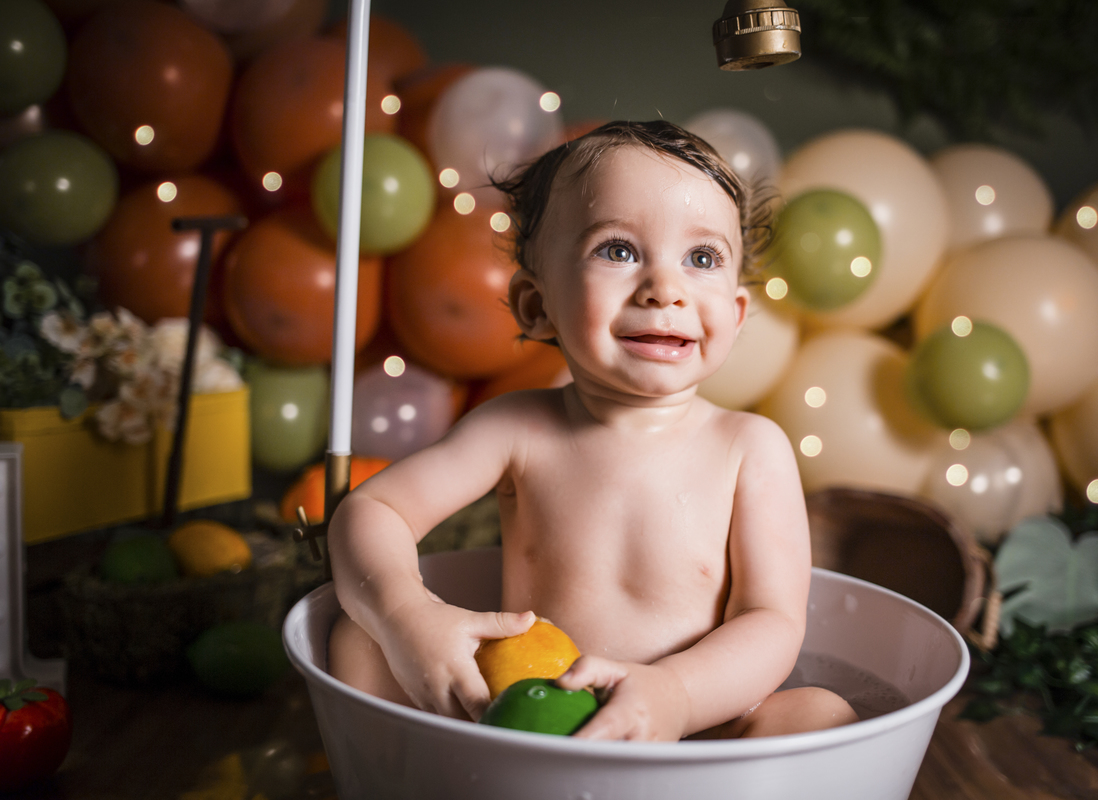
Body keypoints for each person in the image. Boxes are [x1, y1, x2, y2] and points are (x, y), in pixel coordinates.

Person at [326, 120, 858, 741]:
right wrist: (406, 616)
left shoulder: (748, 447)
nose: (666, 289)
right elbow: (373, 509)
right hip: (526, 718)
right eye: (619, 250)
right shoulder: (516, 427)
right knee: (359, 643)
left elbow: (771, 619)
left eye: (702, 258)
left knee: (819, 716)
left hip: (695, 730)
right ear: (537, 305)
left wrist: (678, 695)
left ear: (736, 316)